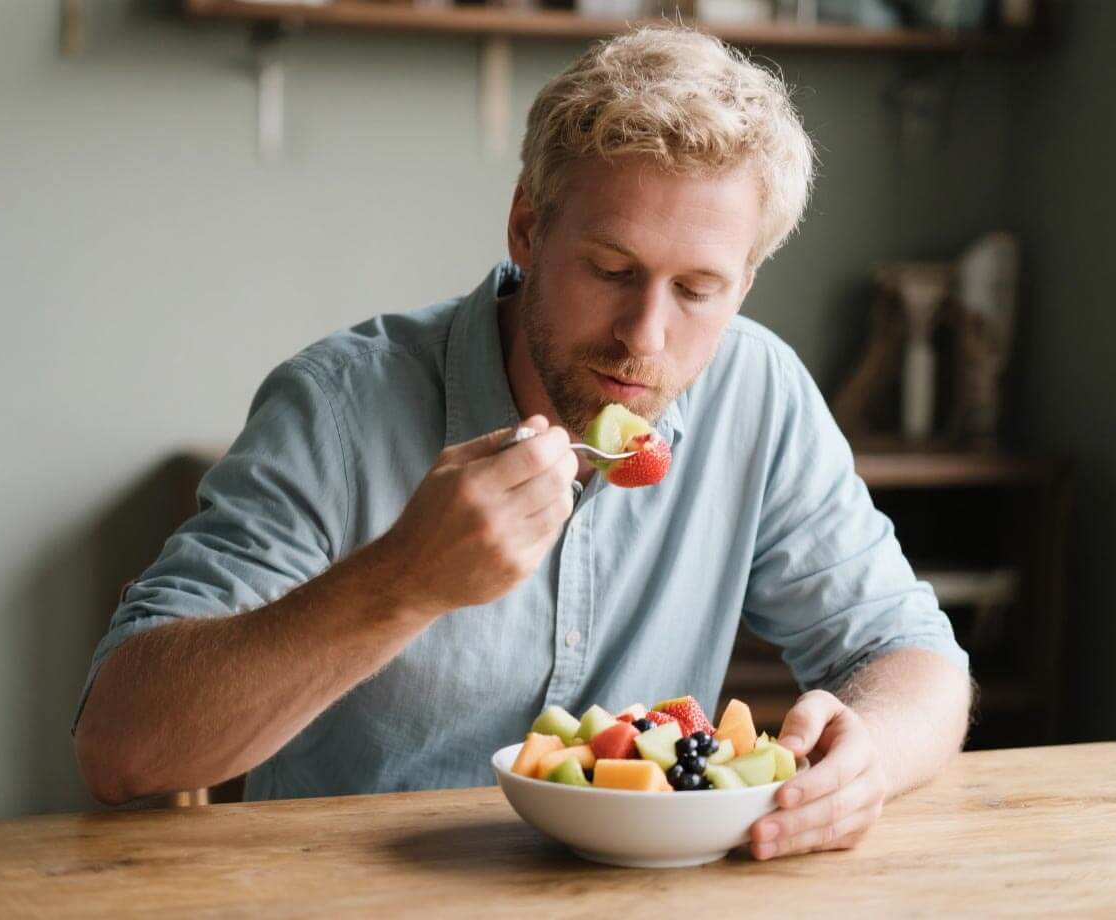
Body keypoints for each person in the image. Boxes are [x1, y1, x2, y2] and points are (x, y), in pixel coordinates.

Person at [74, 25, 970, 862]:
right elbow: (120, 750)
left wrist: (870, 756)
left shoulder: (758, 392)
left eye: (697, 290)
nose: (645, 336)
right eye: (611, 270)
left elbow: (913, 655)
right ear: (528, 229)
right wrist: (401, 582)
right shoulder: (339, 406)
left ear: (744, 283)